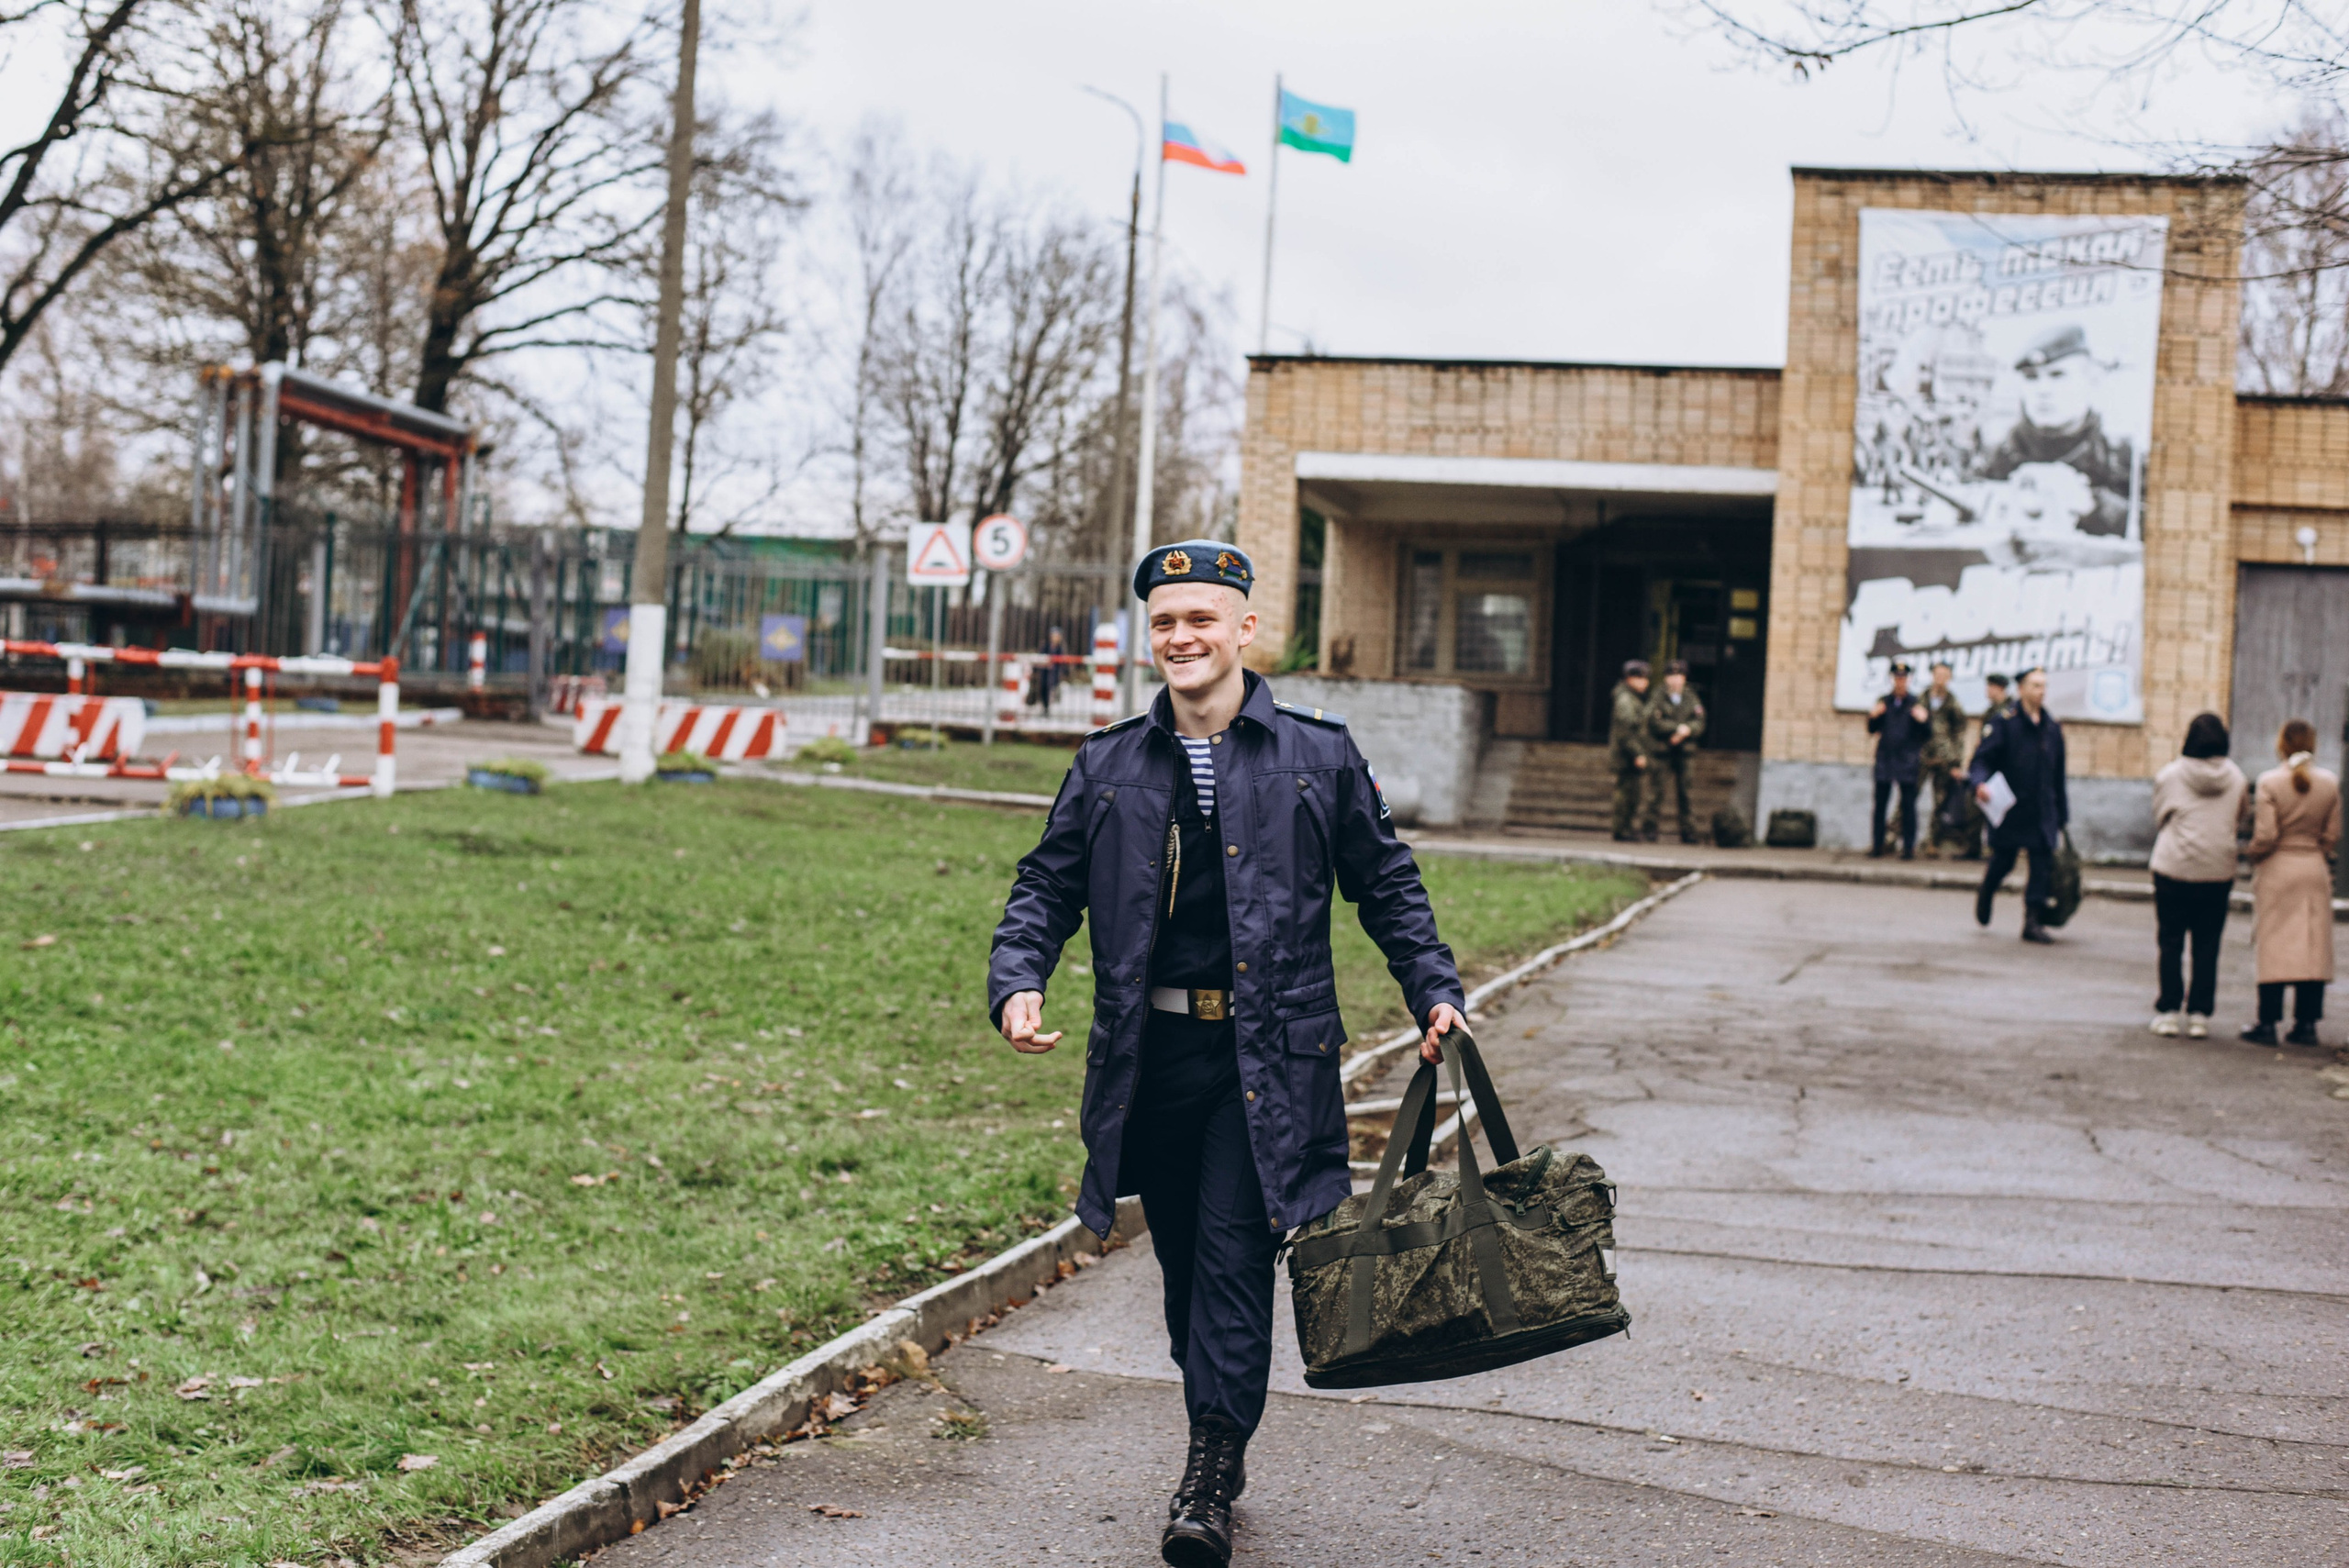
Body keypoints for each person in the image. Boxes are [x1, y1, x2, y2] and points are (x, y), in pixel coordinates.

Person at [988, 539, 1467, 1568]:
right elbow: (1043, 886)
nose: (1181, 638)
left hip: (1270, 1060)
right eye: (1165, 622)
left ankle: (1207, 1468)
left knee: (1234, 1258)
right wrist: (1017, 980)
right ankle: (1219, 1425)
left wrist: (1432, 988)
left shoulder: (1316, 755)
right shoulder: (1108, 762)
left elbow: (1386, 884)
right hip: (1147, 1059)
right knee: (1183, 1275)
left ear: (1246, 627)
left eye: (1200, 618)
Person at [1981, 324, 2136, 539]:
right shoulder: (1995, 458)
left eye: (2057, 375)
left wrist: (2094, 507)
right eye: (2031, 378)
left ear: (2090, 379)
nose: (2043, 390)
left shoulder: (2125, 459)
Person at [2242, 719, 2341, 1047]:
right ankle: (2306, 1023)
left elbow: (2266, 835)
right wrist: (2317, 851)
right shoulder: (2329, 782)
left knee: (2274, 946)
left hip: (2278, 869)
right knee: (2311, 948)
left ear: (2282, 744)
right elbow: (2332, 835)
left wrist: (2254, 855)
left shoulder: (2270, 782)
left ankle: (2267, 1022)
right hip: (2313, 869)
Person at [2148, 713, 2247, 1040]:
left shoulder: (2171, 774)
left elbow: (2160, 815)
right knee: (2208, 944)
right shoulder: (2236, 777)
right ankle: (2200, 1014)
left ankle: (2168, 1010)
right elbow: (2239, 817)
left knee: (2170, 940)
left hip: (2174, 867)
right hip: (2217, 870)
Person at [1969, 665, 2068, 943]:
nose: (2041, 691)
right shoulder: (2005, 722)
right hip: (2011, 809)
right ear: (2021, 689)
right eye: (2035, 685)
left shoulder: (2051, 727)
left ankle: (2032, 922)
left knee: (2041, 865)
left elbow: (2058, 774)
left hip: (2042, 809)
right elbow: (1981, 760)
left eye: (2044, 686)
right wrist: (1980, 784)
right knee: (2004, 861)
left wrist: (2062, 814)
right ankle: (1988, 889)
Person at [1866, 660, 1932, 859]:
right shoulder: (1884, 702)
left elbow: (1927, 734)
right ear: (1892, 679)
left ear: (1909, 680)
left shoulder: (1915, 703)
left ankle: (1908, 848)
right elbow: (1872, 729)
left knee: (1908, 807)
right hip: (1886, 759)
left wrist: (1923, 721)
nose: (1900, 681)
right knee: (1880, 805)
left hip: (1907, 761)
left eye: (1903, 678)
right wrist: (1873, 717)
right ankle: (1877, 845)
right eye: (1897, 677)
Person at [1642, 659, 1708, 844]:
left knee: (1686, 794)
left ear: (1684, 678)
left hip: (1685, 752)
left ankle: (1689, 832)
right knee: (1656, 792)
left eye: (1679, 676)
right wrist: (1676, 729)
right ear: (1666, 678)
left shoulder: (1690, 696)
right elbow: (1652, 720)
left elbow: (1700, 721)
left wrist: (1687, 730)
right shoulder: (1658, 695)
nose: (1675, 680)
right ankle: (1649, 829)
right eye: (1671, 676)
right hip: (1662, 751)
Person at [1920, 660, 1969, 857]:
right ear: (1932, 676)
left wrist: (1956, 763)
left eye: (1944, 676)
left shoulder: (1953, 704)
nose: (1940, 680)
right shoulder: (1921, 700)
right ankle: (1892, 837)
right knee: (1907, 798)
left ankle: (1933, 841)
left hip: (1944, 760)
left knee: (1940, 802)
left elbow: (1959, 735)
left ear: (1949, 678)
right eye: (1937, 675)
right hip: (1921, 757)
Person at [1608, 659, 1653, 842]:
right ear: (1630, 679)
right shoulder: (1626, 700)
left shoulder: (1631, 698)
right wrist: (1637, 753)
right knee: (1625, 795)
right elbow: (1626, 732)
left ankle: (1625, 827)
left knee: (1632, 794)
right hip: (1626, 756)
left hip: (1629, 755)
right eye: (1641, 678)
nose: (1645, 683)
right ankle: (1621, 829)